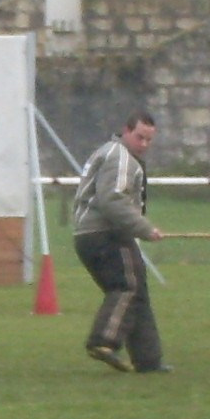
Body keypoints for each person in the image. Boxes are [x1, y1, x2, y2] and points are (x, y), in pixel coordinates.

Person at [72, 111, 168, 374]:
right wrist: (144, 228)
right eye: (139, 137)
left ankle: (149, 361)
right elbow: (112, 200)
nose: (144, 144)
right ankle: (103, 341)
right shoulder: (120, 157)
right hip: (105, 234)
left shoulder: (110, 152)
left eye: (149, 140)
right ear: (126, 131)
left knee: (137, 291)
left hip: (89, 235)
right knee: (128, 287)